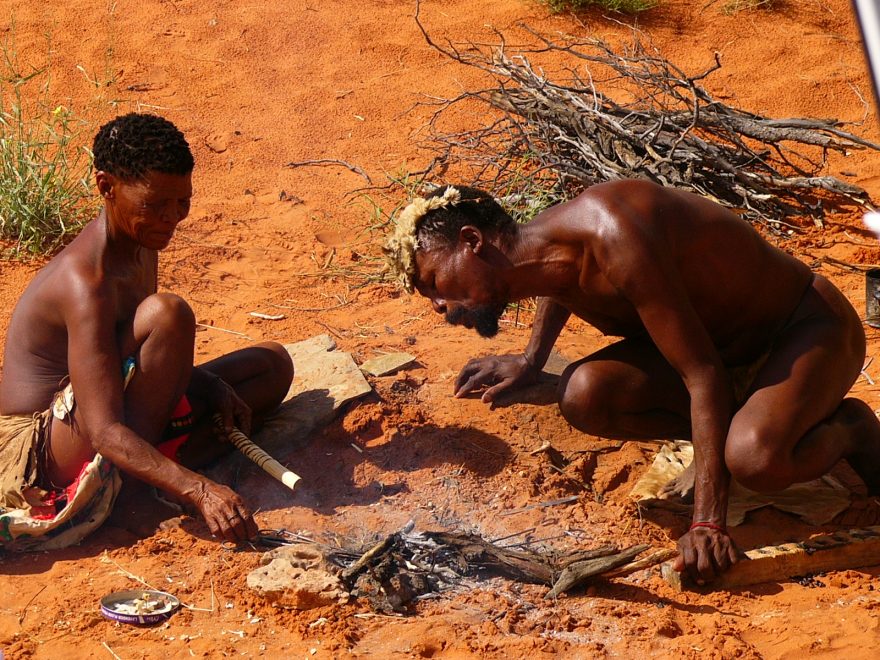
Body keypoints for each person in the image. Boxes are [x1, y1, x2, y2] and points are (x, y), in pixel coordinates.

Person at [384, 180, 880, 583]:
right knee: (583, 395)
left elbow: (701, 373)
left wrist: (707, 522)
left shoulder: (613, 236)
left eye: (432, 281)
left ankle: (850, 429)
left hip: (803, 331)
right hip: (718, 352)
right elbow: (555, 283)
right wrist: (532, 363)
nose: (437, 304)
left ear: (472, 242)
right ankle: (735, 433)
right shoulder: (540, 255)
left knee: (754, 460)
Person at [0, 113, 293, 550]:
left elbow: (125, 363)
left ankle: (146, 469)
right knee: (167, 314)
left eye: (182, 203)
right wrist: (198, 489)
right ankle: (140, 488)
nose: (172, 218)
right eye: (156, 205)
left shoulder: (140, 244)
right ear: (106, 187)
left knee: (271, 366)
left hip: (102, 404)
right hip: (40, 451)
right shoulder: (85, 284)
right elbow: (102, 430)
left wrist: (209, 384)